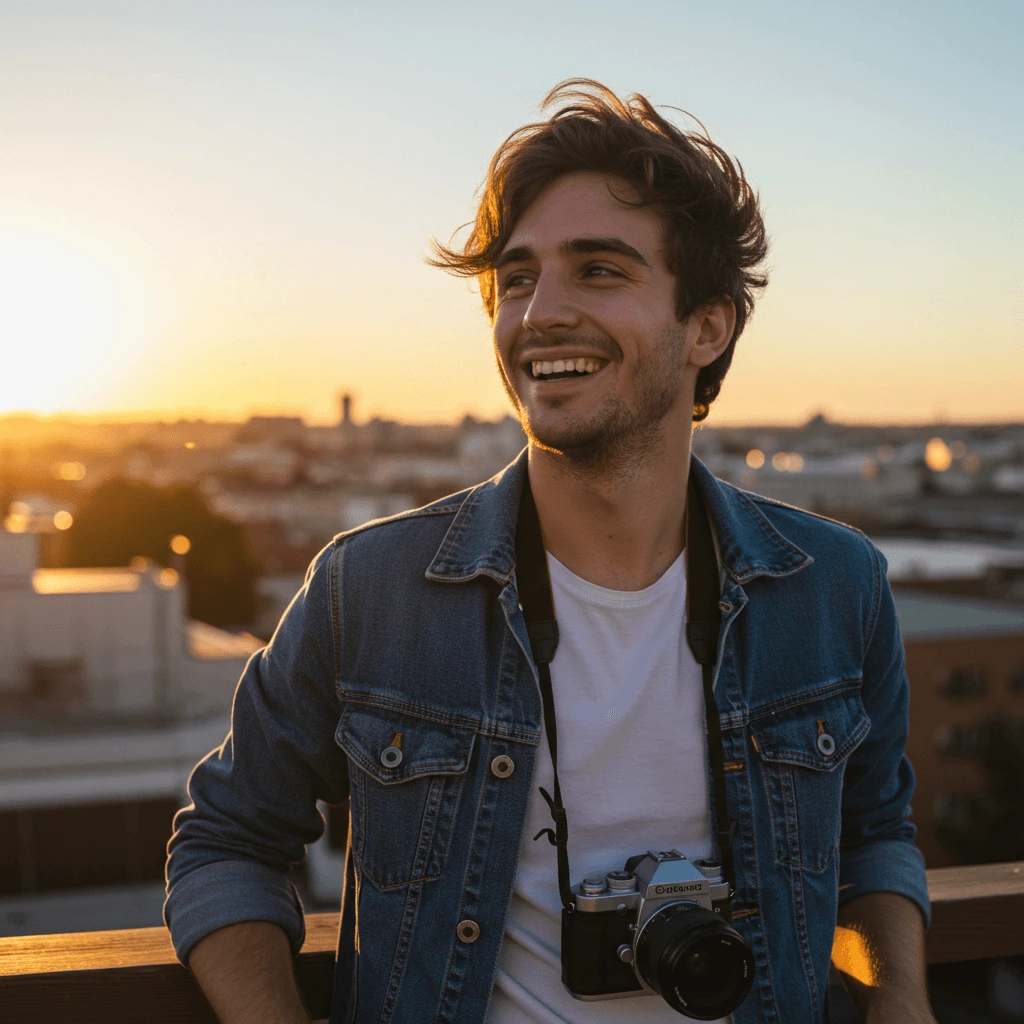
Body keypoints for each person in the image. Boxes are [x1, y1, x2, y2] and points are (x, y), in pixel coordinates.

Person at [165, 80, 936, 1024]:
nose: (537, 317)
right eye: (517, 279)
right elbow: (226, 840)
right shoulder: (370, 592)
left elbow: (872, 837)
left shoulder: (833, 588)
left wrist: (901, 1002)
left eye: (599, 270)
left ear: (708, 326)